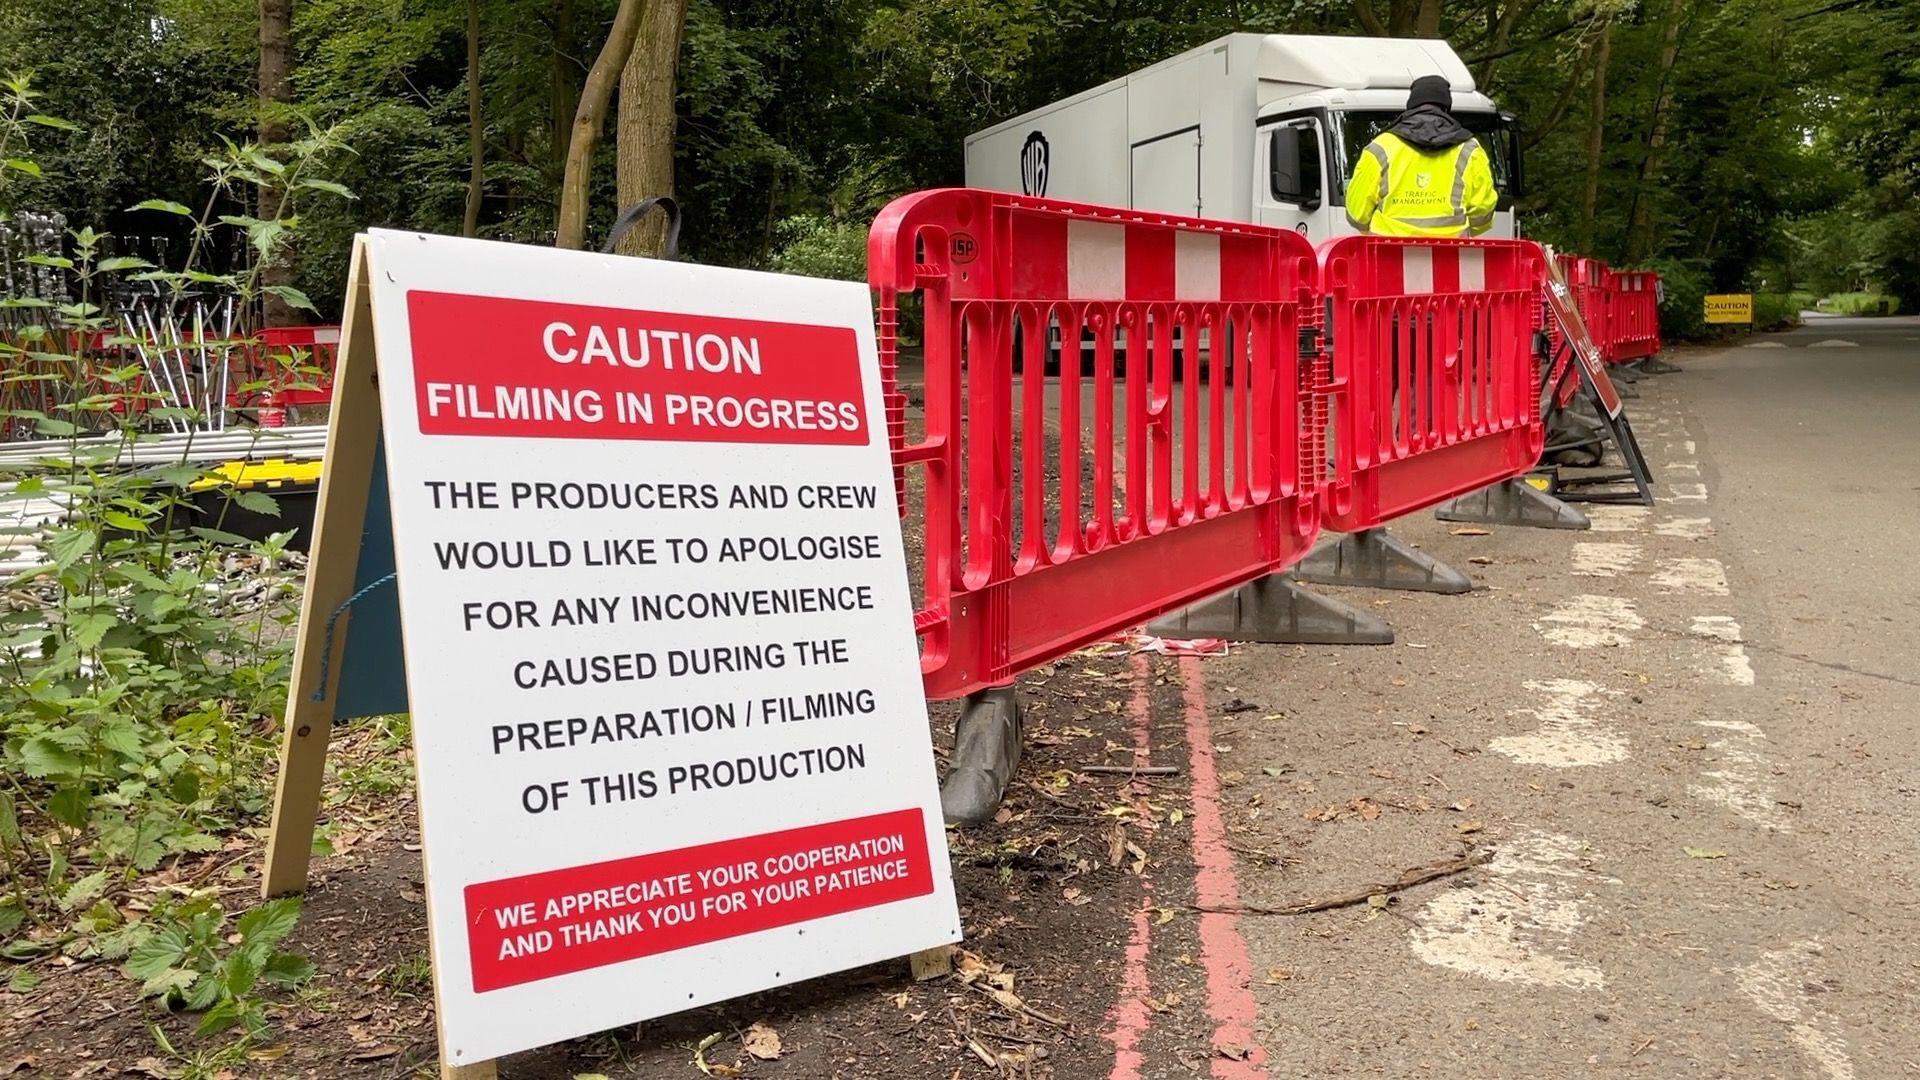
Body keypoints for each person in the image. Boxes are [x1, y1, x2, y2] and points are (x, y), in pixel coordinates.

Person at [1345, 75, 1497, 238]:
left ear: (1411, 106)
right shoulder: (1469, 149)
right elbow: (1483, 212)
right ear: (1447, 107)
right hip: (1450, 256)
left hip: (1387, 255)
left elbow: (1357, 213)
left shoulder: (1380, 147)